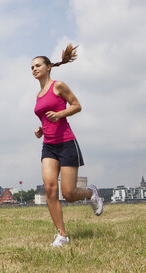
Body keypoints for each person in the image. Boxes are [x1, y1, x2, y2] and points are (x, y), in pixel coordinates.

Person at [32, 44, 104, 247]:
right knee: (49, 188)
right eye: (32, 67)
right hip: (48, 146)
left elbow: (77, 105)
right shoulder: (37, 96)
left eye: (38, 65)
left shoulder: (58, 86)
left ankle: (91, 193)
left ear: (48, 67)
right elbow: (47, 119)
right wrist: (41, 130)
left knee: (69, 194)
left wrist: (60, 114)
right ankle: (62, 235)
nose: (34, 69)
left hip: (66, 143)